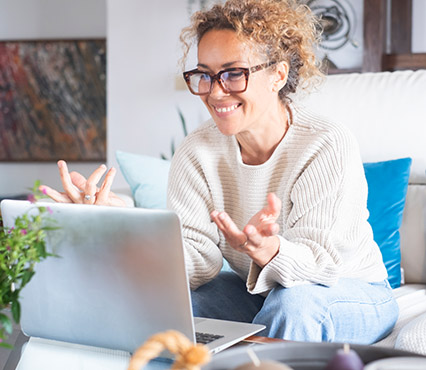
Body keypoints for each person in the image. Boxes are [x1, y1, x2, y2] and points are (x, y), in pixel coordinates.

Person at [41, 0, 398, 344]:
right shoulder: (197, 151)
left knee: (294, 304)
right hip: (260, 293)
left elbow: (320, 264)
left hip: (349, 290)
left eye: (233, 73)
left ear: (278, 74)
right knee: (171, 312)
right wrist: (125, 228)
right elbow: (199, 259)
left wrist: (270, 250)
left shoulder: (324, 143)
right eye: (205, 75)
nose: (215, 92)